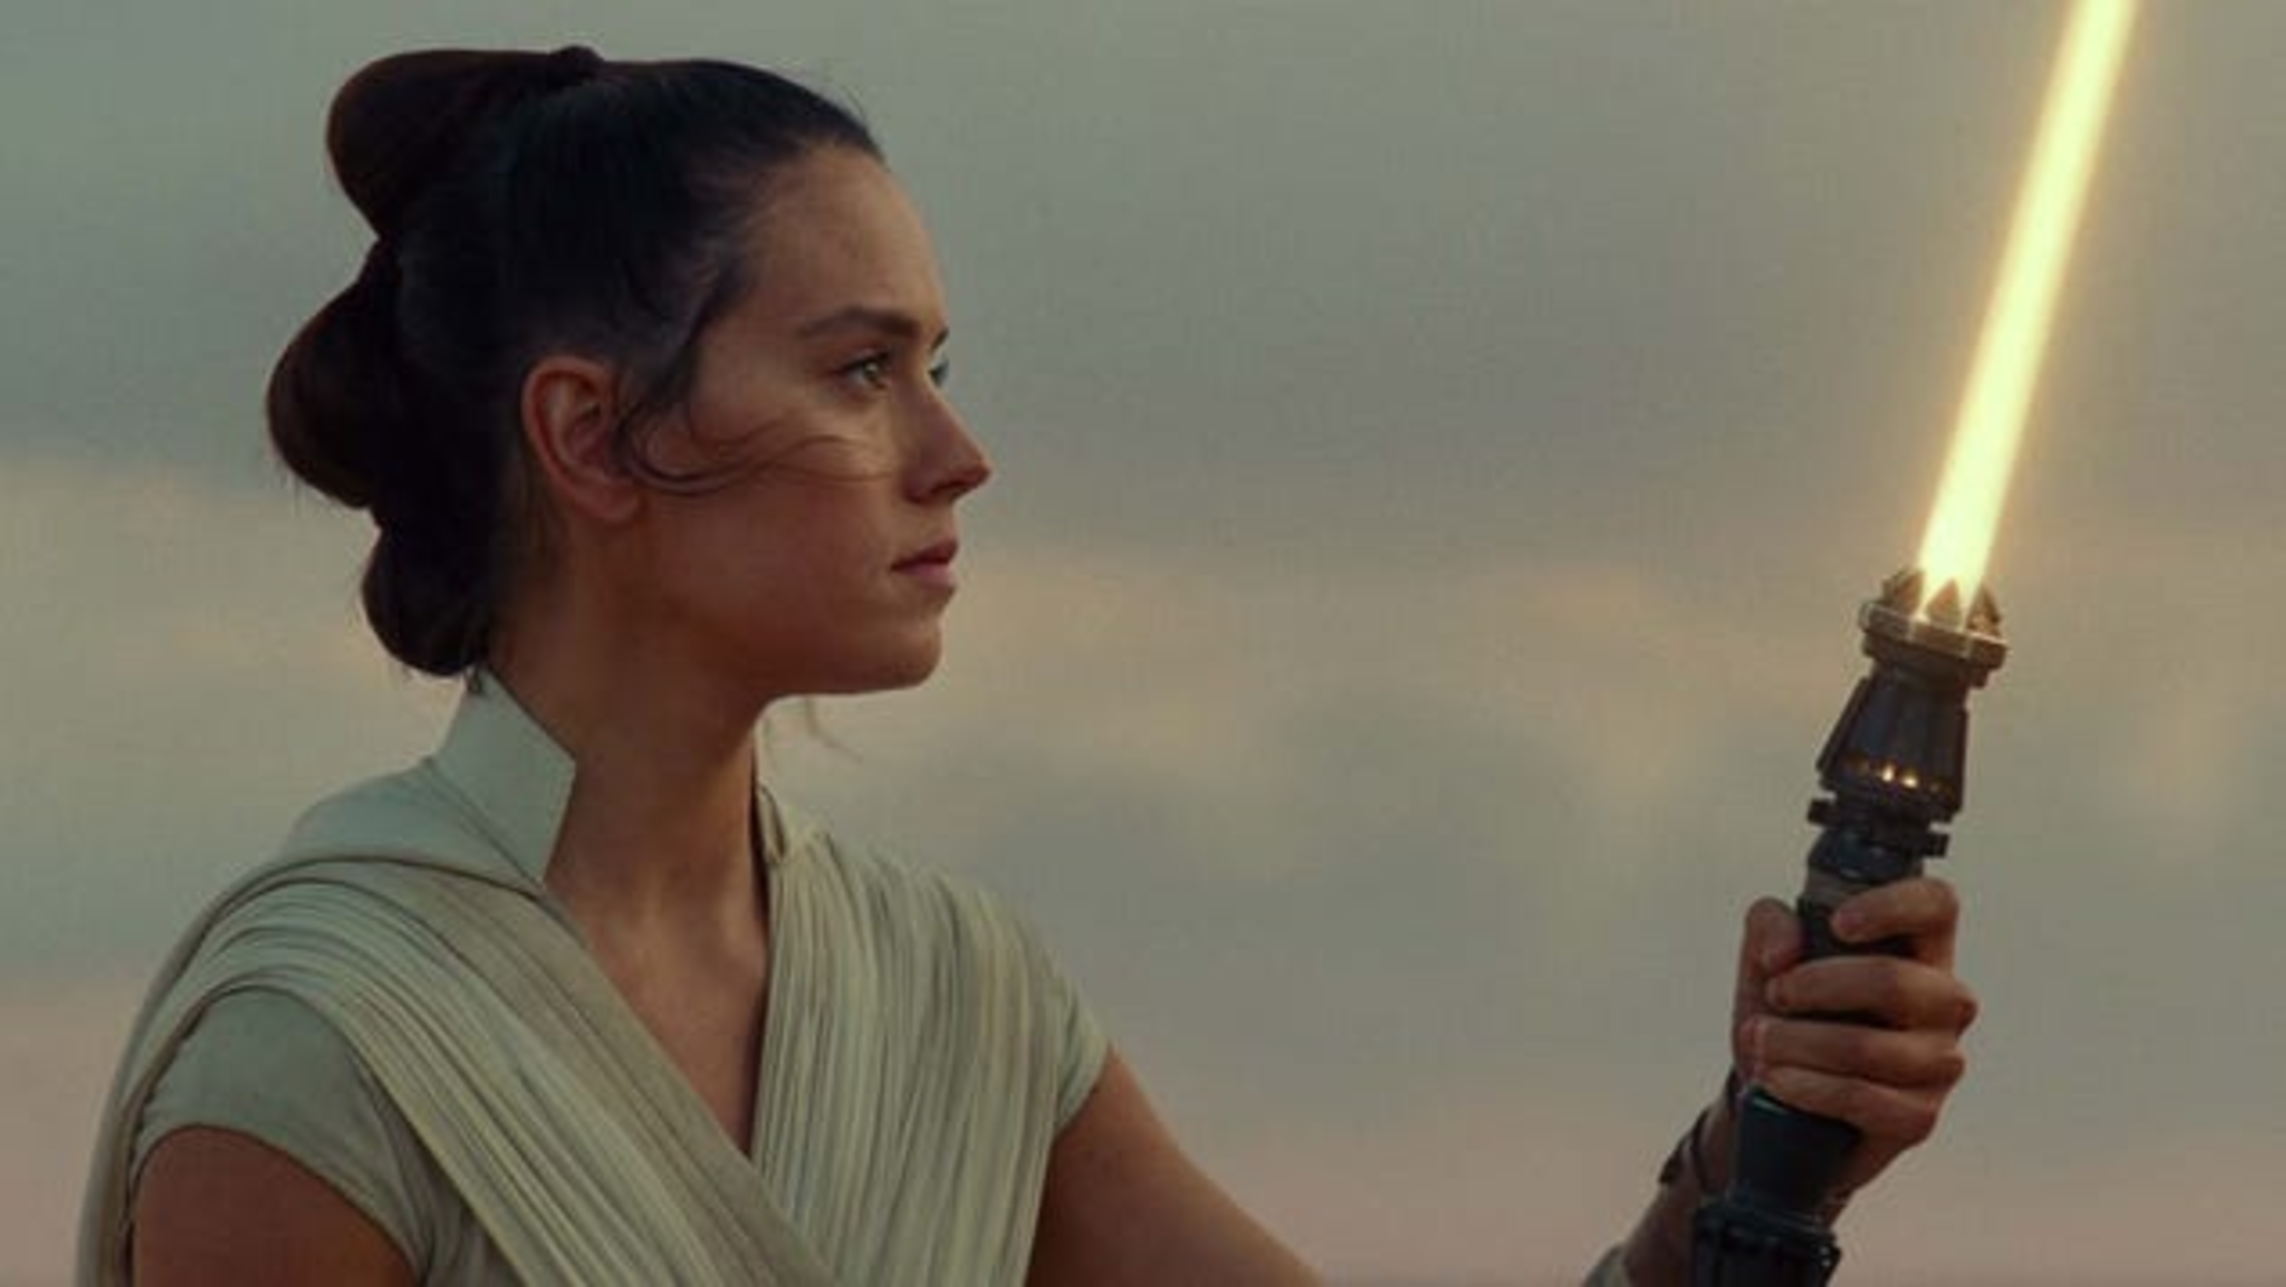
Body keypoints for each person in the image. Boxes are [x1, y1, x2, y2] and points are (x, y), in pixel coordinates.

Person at [78, 47, 1977, 1286]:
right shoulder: (325, 1050)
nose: (954, 453)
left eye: (936, 365)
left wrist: (1756, 1159)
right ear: (592, 435)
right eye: (858, 368)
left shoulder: (956, 1002)